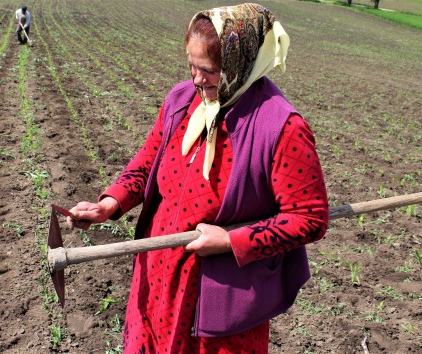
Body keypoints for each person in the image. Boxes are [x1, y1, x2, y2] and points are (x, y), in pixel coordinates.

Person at [67, 3, 329, 353]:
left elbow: (309, 219)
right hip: (158, 270)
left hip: (217, 294)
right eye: (191, 65)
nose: (196, 79)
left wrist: (231, 241)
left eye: (208, 70)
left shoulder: (281, 128)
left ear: (241, 63)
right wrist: (110, 203)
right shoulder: (181, 101)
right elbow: (148, 164)